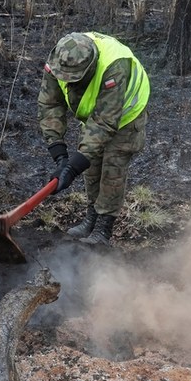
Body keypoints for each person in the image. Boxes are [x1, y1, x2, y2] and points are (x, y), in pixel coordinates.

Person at [38, 32, 150, 246]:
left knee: (112, 168)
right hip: (95, 116)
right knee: (91, 167)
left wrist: (72, 169)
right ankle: (91, 218)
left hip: (127, 115)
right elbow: (50, 105)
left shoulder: (114, 66)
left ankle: (103, 229)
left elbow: (104, 122)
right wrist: (60, 155)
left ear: (89, 68)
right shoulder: (58, 61)